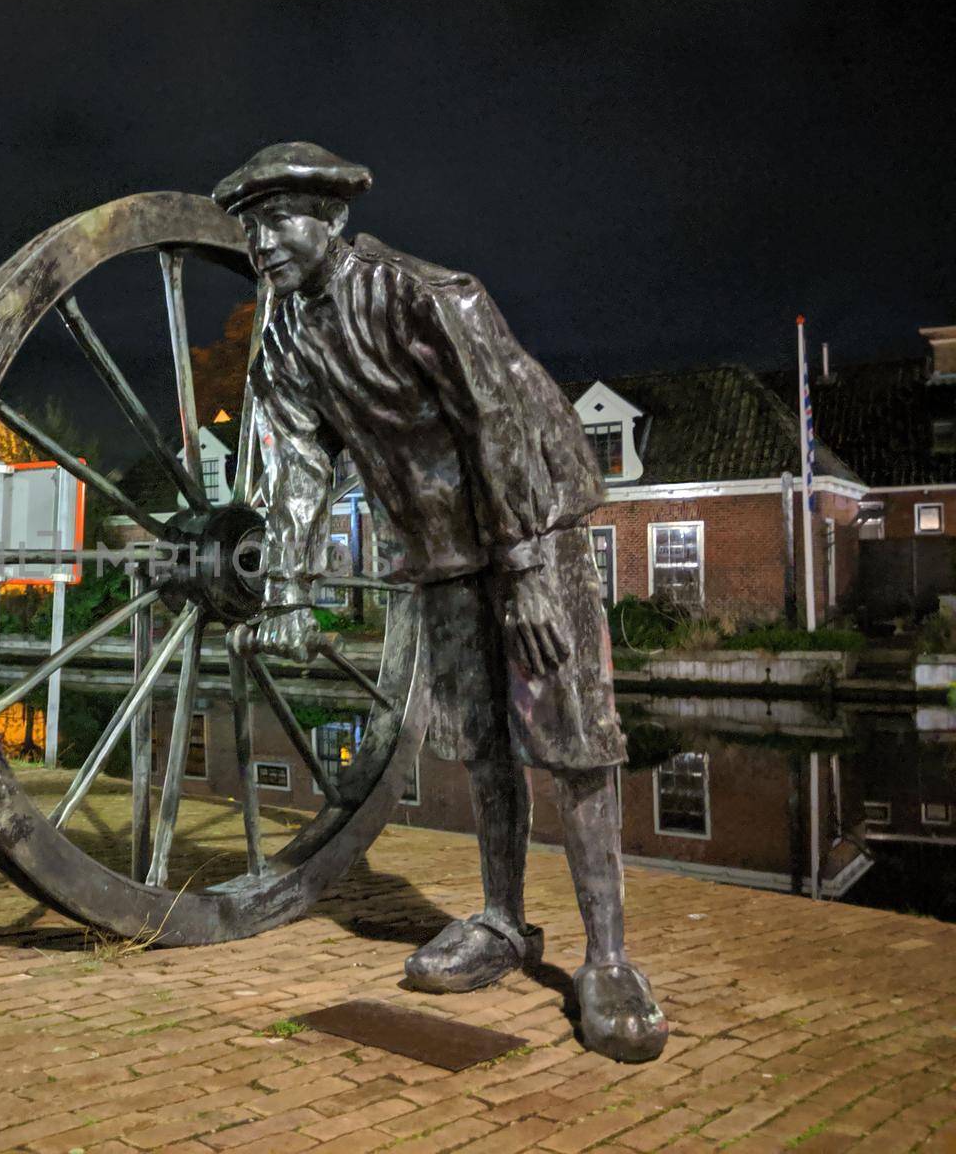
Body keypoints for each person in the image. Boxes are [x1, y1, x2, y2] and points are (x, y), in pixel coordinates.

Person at [215, 142, 668, 1062]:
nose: (261, 241)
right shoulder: (287, 335)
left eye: (279, 219)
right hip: (439, 546)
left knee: (570, 733)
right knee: (482, 738)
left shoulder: (427, 295)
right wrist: (293, 587)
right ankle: (504, 920)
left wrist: (532, 571)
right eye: (249, 225)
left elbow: (495, 420)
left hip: (530, 520)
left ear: (331, 218)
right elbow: (298, 460)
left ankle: (611, 958)